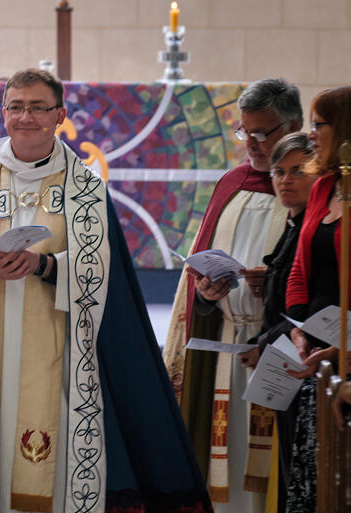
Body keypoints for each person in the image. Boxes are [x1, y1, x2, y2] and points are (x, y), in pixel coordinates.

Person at [0, 69, 212, 513]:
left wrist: (43, 264)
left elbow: (103, 275)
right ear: (3, 113)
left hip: (57, 346)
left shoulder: (86, 190)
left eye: (37, 107)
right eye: (16, 107)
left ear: (60, 116)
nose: (25, 116)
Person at [163, 78, 302, 513]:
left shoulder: (309, 190)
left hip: (280, 350)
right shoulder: (230, 184)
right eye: (246, 132)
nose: (254, 145)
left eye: (266, 133)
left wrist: (273, 284)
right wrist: (204, 292)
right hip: (223, 350)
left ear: (294, 126)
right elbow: (195, 283)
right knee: (223, 467)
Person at [235, 132, 318, 513]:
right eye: (279, 172)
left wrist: (265, 341)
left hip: (307, 364)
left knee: (301, 475)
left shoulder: (314, 231)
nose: (285, 180)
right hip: (285, 361)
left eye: (298, 171)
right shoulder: (292, 225)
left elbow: (315, 306)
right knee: (289, 470)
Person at [283, 85, 351, 513]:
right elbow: (298, 271)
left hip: (347, 354)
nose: (311, 135)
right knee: (313, 481)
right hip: (315, 356)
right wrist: (297, 329)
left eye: (318, 124)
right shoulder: (324, 186)